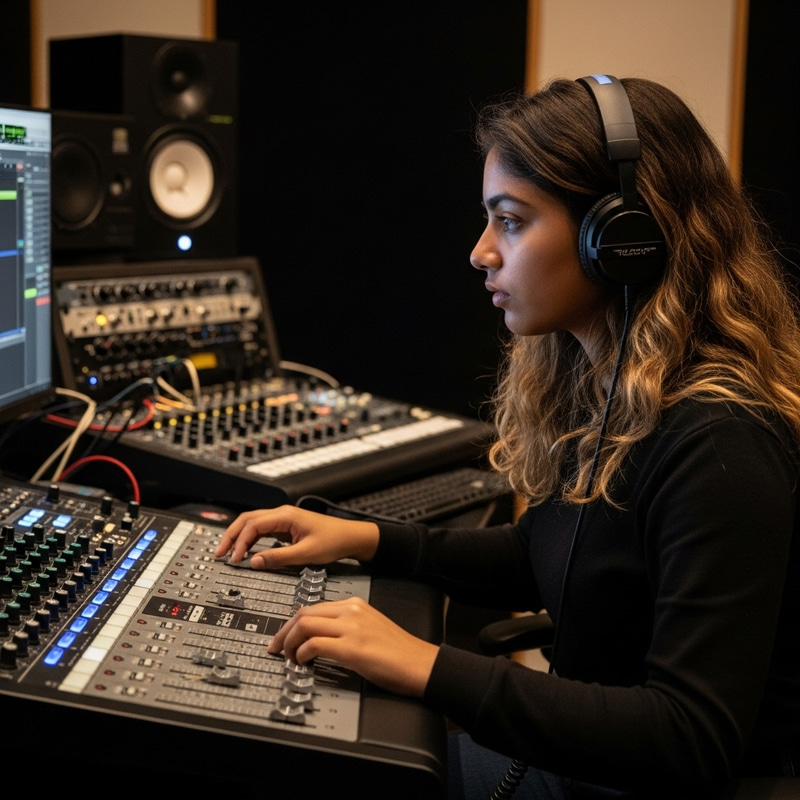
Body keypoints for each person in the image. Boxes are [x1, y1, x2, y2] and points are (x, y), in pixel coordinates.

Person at [214, 75, 800, 799]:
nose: (481, 252)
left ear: (620, 240)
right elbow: (544, 553)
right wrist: (363, 538)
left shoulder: (721, 442)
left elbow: (690, 736)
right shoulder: (614, 388)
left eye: (512, 220)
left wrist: (425, 665)